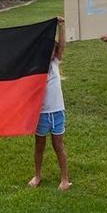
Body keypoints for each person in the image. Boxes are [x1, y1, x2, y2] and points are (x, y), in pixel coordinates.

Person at [28, 15, 71, 190]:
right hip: (41, 114)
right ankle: (37, 175)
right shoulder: (35, 68)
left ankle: (65, 179)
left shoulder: (55, 63)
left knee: (58, 145)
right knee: (39, 145)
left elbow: (62, 46)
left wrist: (61, 27)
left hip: (57, 112)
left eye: (52, 50)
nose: (51, 53)